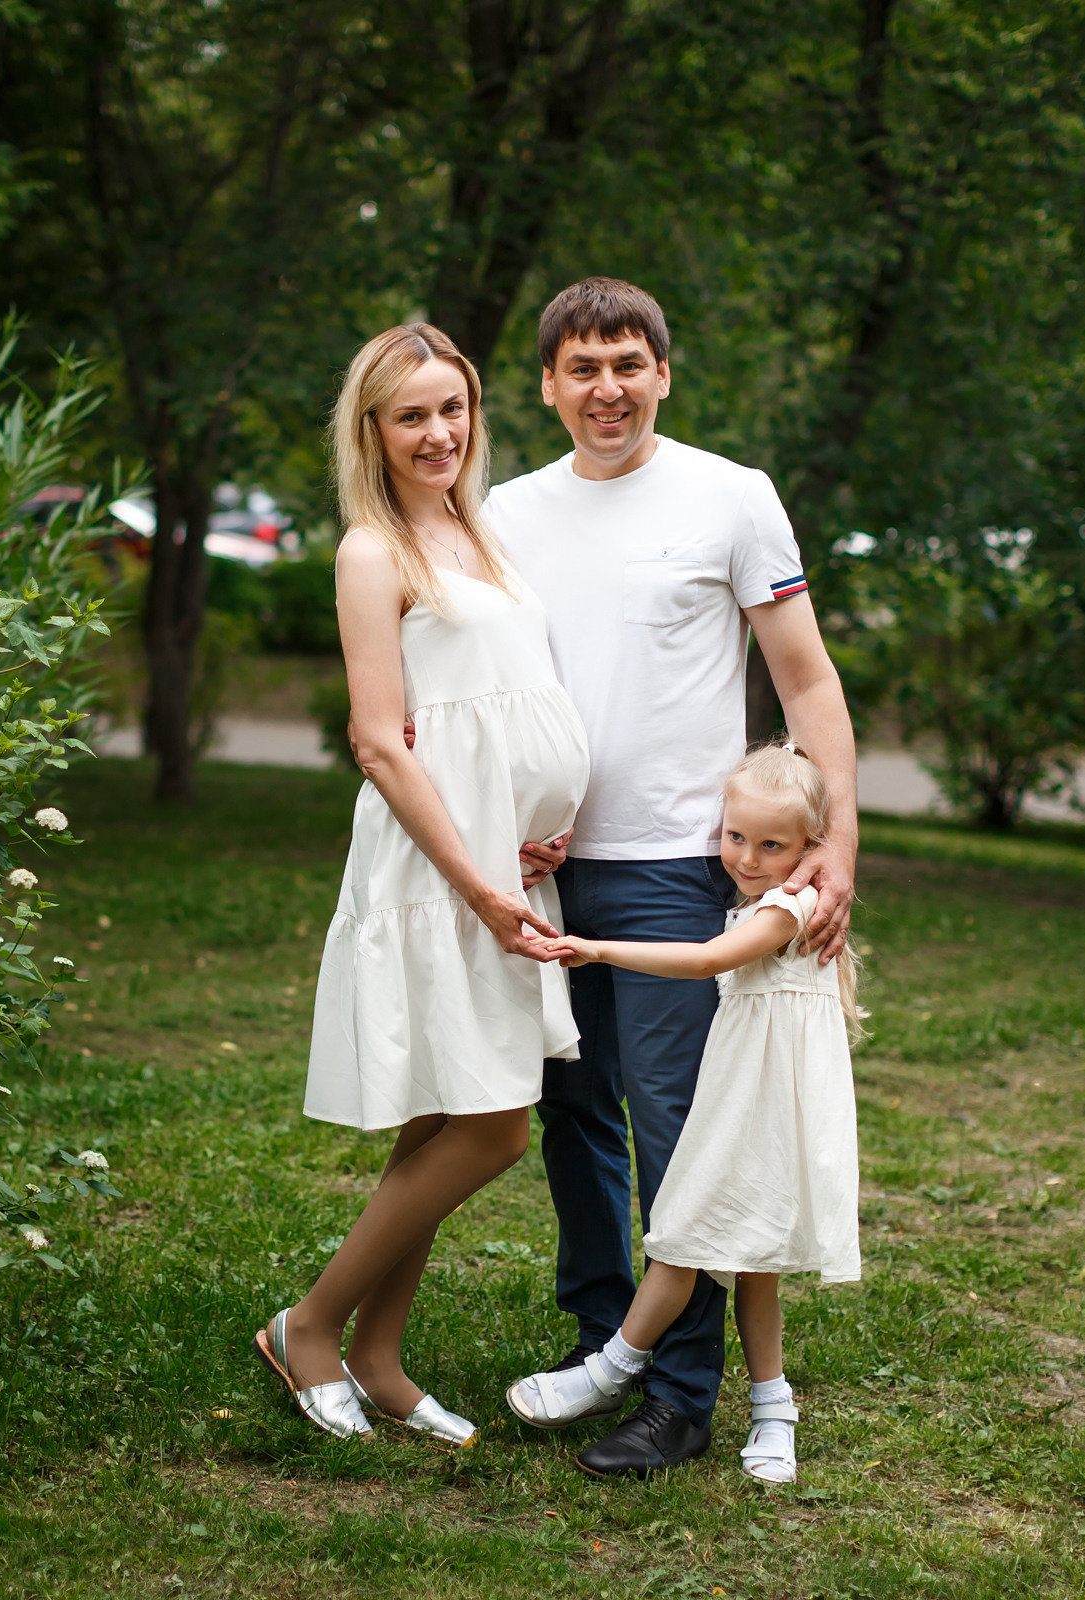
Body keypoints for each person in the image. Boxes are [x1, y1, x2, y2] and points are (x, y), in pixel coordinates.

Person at [493, 277, 860, 1477]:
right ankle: (609, 1335)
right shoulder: (502, 512)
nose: (607, 389)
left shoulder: (731, 497)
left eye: (628, 365)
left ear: (664, 373)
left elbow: (805, 680)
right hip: (548, 867)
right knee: (571, 1116)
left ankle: (681, 1395)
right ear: (547, 383)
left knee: (680, 1134)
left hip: (674, 866)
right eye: (582, 368)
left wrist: (834, 843)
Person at [254, 323, 590, 1444]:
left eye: (453, 408)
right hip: (441, 865)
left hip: (507, 863)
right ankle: (307, 1326)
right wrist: (485, 877)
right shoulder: (372, 552)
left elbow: (507, 698)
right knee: (493, 1127)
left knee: (450, 1107)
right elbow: (382, 742)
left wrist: (544, 824)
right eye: (412, 415)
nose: (438, 432)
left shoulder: (480, 533)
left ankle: (381, 1359)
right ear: (374, 432)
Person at [506, 745, 864, 1484]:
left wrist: (596, 949)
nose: (749, 858)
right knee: (739, 1261)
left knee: (681, 1239)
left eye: (774, 845)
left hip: (755, 1111)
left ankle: (611, 1369)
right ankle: (773, 1410)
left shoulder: (786, 906)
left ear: (811, 847)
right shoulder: (756, 900)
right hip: (741, 1099)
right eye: (736, 837)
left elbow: (706, 963)